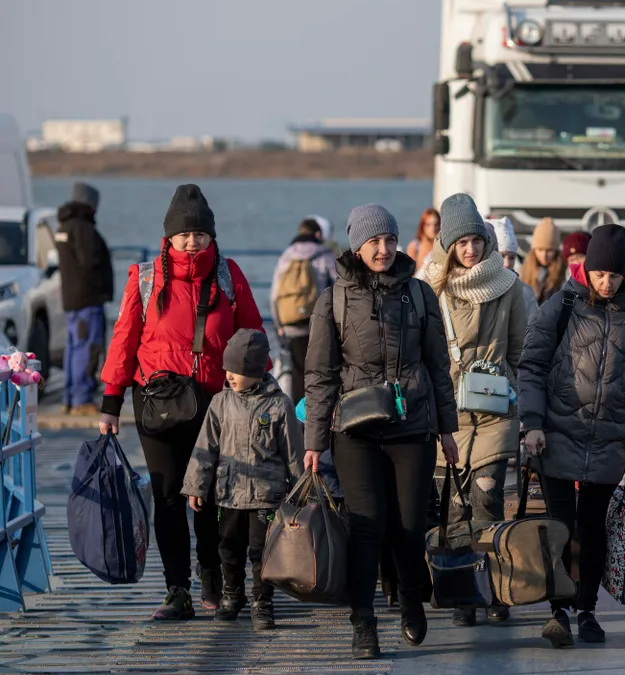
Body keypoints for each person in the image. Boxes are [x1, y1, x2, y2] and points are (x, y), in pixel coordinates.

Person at [99, 184, 266, 620]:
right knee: (168, 494)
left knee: (211, 495)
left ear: (212, 237)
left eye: (200, 234)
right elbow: (124, 339)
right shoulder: (145, 277)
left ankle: (212, 574)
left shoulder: (229, 275)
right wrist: (111, 401)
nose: (192, 241)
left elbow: (251, 334)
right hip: (157, 402)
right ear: (168, 237)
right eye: (184, 234)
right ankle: (178, 590)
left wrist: (260, 382)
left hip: (215, 403)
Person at [303, 203, 458, 659]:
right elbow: (319, 375)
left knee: (410, 527)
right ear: (357, 245)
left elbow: (438, 366)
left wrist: (447, 429)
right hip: (355, 430)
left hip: (412, 425)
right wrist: (314, 440)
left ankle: (411, 598)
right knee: (366, 527)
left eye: (390, 240)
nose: (385, 249)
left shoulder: (420, 294)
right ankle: (363, 622)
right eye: (374, 242)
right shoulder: (332, 299)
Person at [518, 223, 625, 648]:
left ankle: (588, 610)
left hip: (610, 435)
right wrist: (533, 423)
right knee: (560, 525)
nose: (607, 283)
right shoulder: (561, 305)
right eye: (599, 274)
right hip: (558, 429)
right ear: (586, 270)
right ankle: (558, 610)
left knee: (594, 528)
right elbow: (532, 366)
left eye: (614, 275)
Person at [426, 194, 529, 627]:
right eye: (461, 242)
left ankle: (496, 592)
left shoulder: (509, 287)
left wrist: (514, 396)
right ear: (448, 246)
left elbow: (522, 349)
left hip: (493, 414)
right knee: (452, 510)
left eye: (477, 240)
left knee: (487, 503)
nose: (471, 250)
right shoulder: (431, 290)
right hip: (446, 416)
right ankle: (462, 593)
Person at [181, 329, 303, 630]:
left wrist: (302, 491)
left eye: (237, 370)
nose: (230, 375)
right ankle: (232, 595)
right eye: (227, 369)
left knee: (263, 552)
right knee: (229, 548)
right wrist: (196, 485)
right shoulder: (220, 403)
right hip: (230, 492)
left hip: (266, 495)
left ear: (256, 370)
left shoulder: (279, 404)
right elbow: (205, 447)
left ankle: (262, 601)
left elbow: (294, 453)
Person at [55, 181, 113, 415]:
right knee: (87, 347)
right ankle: (81, 399)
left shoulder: (64, 226)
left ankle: (70, 397)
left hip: (71, 299)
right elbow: (91, 263)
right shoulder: (82, 228)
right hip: (87, 299)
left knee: (74, 348)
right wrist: (101, 288)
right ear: (91, 203)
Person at [269, 217, 337, 403]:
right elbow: (338, 288)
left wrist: (278, 327)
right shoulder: (325, 254)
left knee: (298, 375)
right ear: (317, 234)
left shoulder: (286, 256)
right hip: (318, 324)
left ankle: (300, 420)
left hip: (291, 325)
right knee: (320, 372)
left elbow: (275, 296)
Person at [486, 215, 538, 315]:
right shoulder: (477, 288)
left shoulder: (524, 292)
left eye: (512, 257)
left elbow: (534, 326)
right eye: (502, 256)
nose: (507, 263)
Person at [520, 217, 565, 304]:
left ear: (556, 251)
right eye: (540, 250)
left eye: (549, 250)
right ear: (534, 250)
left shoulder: (563, 273)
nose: (544, 255)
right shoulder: (523, 271)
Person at [407, 207, 440, 273]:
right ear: (422, 226)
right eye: (428, 225)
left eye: (436, 224)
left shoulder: (444, 247)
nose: (433, 228)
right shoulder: (415, 247)